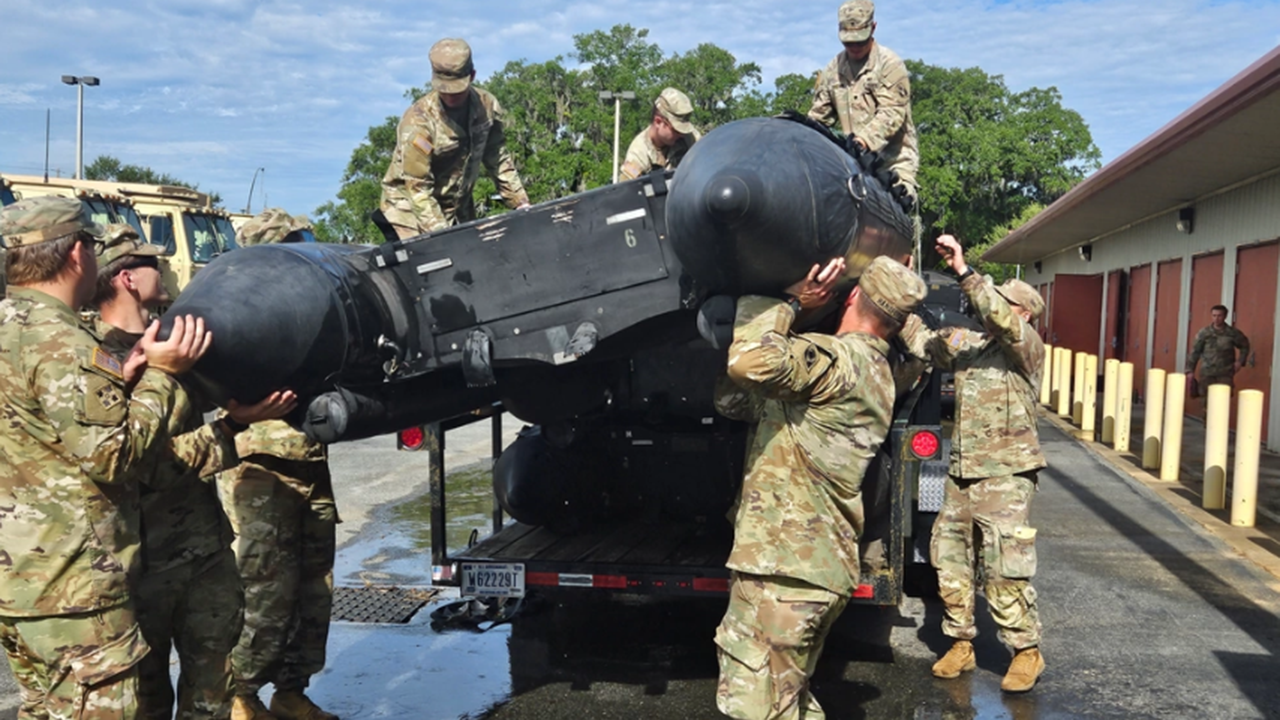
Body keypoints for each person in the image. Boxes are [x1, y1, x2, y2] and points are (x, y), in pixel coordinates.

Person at [0, 197, 265, 718]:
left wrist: (118, 384)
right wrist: (163, 376)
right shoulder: (61, 340)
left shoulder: (13, 326)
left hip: (24, 583)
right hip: (75, 588)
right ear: (78, 253)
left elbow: (40, 432)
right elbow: (114, 456)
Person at [90, 225, 294, 720]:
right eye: (150, 262)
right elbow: (141, 465)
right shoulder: (99, 360)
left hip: (203, 551)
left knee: (212, 693)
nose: (162, 269)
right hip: (144, 563)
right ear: (125, 278)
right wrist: (231, 430)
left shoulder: (177, 337)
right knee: (148, 699)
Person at [713, 256, 928, 719]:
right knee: (787, 700)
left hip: (785, 569)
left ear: (850, 296)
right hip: (813, 569)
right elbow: (733, 399)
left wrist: (790, 304)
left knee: (756, 707)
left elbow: (748, 363)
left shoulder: (836, 360)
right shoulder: (881, 372)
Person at [900, 235, 1047, 693]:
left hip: (1006, 473)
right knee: (950, 559)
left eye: (1003, 303)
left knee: (1005, 566)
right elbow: (925, 342)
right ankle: (960, 643)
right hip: (963, 472)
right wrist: (895, 296)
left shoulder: (1025, 346)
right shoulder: (971, 344)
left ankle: (1026, 652)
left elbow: (998, 318)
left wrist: (965, 271)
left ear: (1021, 313)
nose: (992, 307)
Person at [221, 210, 341, 720]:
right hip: (261, 465)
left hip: (309, 459)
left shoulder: (311, 315)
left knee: (316, 588)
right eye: (295, 245)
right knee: (264, 590)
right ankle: (240, 695)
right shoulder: (240, 313)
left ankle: (291, 689)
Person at [381, 37, 530, 240]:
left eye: (456, 90)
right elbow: (417, 188)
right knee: (434, 262)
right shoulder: (417, 123)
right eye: (444, 89)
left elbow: (497, 158)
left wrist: (520, 203)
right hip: (411, 210)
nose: (450, 96)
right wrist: (444, 236)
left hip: (458, 203)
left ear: (472, 76)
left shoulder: (486, 107)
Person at [808, 0, 919, 199]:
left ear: (873, 28)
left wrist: (862, 141)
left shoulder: (890, 65)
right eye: (848, 42)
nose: (855, 47)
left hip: (893, 164)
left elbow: (892, 113)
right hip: (852, 164)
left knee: (895, 213)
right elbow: (817, 118)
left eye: (860, 40)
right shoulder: (833, 70)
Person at [618, 88, 701, 181]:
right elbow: (626, 190)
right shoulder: (638, 154)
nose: (681, 134)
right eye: (676, 130)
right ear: (658, 122)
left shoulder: (690, 137)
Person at [1186, 304, 1250, 396]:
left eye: (1219, 316)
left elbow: (1245, 346)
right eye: (1214, 315)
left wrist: (1240, 361)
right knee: (1206, 400)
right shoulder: (1204, 333)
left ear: (1225, 316)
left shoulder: (1232, 333)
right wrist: (1190, 370)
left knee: (1223, 399)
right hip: (1207, 372)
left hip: (1225, 373)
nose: (1216, 318)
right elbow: (1195, 352)